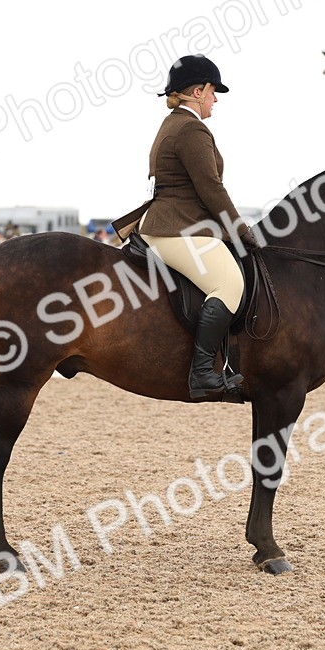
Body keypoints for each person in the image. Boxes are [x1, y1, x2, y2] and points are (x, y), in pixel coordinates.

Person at [113, 54, 257, 399]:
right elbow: (211, 188)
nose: (215, 99)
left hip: (170, 222)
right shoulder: (191, 128)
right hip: (176, 227)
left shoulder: (173, 123)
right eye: (212, 91)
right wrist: (242, 231)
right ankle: (203, 373)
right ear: (196, 91)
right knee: (228, 284)